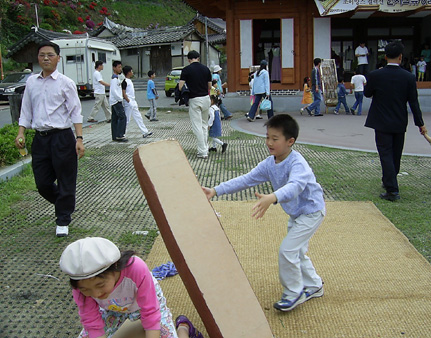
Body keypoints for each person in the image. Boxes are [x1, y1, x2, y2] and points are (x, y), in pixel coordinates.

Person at [202, 114, 325, 312]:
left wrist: (272, 197)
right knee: (298, 251)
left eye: (275, 139)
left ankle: (294, 292)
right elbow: (246, 179)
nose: (269, 142)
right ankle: (314, 285)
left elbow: (295, 186)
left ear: (290, 141)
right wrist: (216, 190)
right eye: (267, 137)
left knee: (288, 250)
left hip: (311, 212)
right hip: (297, 214)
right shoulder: (270, 163)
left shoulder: (297, 164)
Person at [59, 237, 204, 338]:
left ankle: (183, 328)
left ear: (115, 268)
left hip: (147, 306)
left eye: (100, 285)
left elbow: (150, 312)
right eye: (86, 290)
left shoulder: (136, 268)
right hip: (113, 309)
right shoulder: (80, 283)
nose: (95, 294)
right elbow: (91, 320)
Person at [15, 41, 84, 237]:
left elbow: (76, 112)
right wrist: (21, 132)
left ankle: (63, 219)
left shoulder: (66, 83)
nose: (46, 58)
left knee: (66, 180)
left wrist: (79, 138)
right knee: (42, 183)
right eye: (42, 55)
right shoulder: (31, 82)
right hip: (41, 139)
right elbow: (26, 109)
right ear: (37, 58)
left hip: (62, 138)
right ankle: (65, 204)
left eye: (50, 55)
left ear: (58, 58)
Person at [364, 41, 427, 201]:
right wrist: (420, 123)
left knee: (385, 154)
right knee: (395, 155)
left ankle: (392, 190)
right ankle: (389, 181)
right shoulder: (409, 77)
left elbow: (367, 94)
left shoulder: (375, 75)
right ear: (401, 57)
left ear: (385, 57)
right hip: (399, 121)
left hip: (381, 121)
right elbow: (414, 102)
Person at [178, 50, 212, 159]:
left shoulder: (186, 70)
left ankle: (202, 152)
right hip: (206, 99)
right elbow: (210, 86)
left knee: (197, 126)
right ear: (198, 58)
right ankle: (205, 148)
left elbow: (180, 86)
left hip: (194, 99)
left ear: (188, 60)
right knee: (204, 125)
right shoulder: (206, 69)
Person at [122, 66, 153, 139]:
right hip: (128, 102)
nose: (132, 73)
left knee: (138, 117)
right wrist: (128, 101)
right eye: (131, 71)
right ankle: (122, 134)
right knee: (127, 119)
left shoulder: (129, 80)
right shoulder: (125, 81)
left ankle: (145, 132)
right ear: (129, 72)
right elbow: (123, 93)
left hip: (133, 101)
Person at [110, 60, 128, 142]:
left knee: (115, 118)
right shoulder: (114, 79)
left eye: (121, 67)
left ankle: (115, 136)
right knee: (122, 117)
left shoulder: (117, 78)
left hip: (114, 100)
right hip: (116, 101)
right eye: (118, 67)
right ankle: (120, 135)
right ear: (114, 68)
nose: (120, 69)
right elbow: (114, 91)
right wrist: (120, 98)